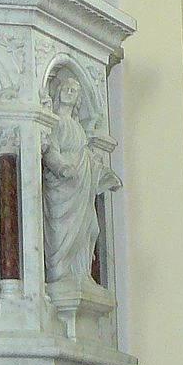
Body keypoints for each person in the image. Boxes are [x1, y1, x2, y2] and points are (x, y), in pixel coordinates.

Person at [42, 71, 112, 287]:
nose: (69, 93)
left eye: (73, 91)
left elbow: (87, 157)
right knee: (62, 231)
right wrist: (62, 167)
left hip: (82, 187)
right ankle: (60, 272)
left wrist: (102, 175)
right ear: (57, 92)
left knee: (92, 228)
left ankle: (81, 273)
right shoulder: (55, 122)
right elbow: (50, 150)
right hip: (62, 187)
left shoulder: (78, 128)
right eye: (65, 89)